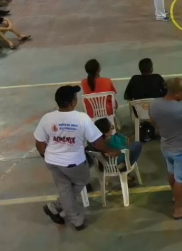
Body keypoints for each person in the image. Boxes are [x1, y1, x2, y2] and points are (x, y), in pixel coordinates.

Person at [35, 85, 120, 230]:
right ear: (72, 102)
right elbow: (97, 142)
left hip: (52, 162)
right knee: (81, 181)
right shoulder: (81, 118)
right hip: (74, 163)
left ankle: (58, 209)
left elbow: (39, 142)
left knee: (64, 188)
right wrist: (111, 150)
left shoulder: (47, 118)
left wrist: (46, 156)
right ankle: (73, 218)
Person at [149, 78, 182, 220]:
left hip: (166, 145)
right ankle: (178, 210)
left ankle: (175, 196)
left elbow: (153, 121)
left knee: (171, 172)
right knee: (181, 180)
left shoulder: (154, 104)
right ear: (178, 93)